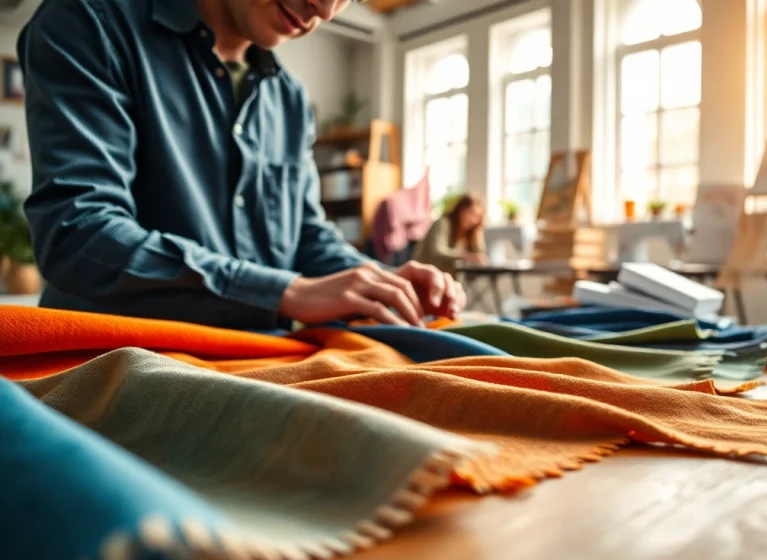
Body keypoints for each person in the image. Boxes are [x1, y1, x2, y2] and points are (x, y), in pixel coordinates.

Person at [16, 0, 463, 330]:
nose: (325, 9)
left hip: (260, 360)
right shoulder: (88, 23)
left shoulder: (289, 99)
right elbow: (80, 234)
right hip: (121, 360)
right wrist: (286, 293)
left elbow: (305, 237)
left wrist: (385, 283)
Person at [413, 193, 488, 274]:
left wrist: (477, 232)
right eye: (471, 213)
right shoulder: (443, 223)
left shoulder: (468, 232)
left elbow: (480, 255)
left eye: (478, 216)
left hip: (448, 276)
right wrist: (466, 256)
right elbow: (437, 252)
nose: (473, 219)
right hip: (425, 272)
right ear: (460, 210)